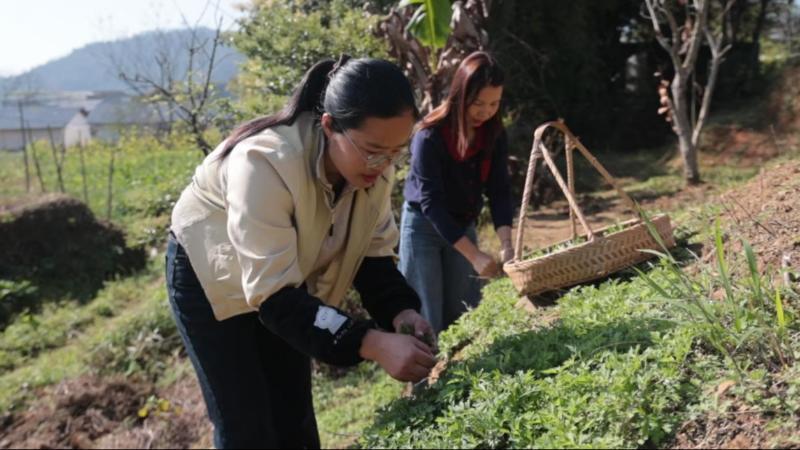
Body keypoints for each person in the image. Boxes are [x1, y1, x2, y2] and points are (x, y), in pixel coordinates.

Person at [166, 55, 437, 449]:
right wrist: (372, 342)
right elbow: (274, 296)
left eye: (396, 152)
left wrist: (401, 310)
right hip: (210, 278)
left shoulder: (374, 166)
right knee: (245, 424)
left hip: (281, 284)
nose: (384, 165)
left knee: (293, 415)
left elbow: (371, 255)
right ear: (330, 126)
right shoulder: (264, 163)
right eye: (374, 150)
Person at [399, 51, 513, 334]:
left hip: (462, 224)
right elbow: (432, 204)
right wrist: (474, 255)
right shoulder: (430, 136)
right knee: (425, 319)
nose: (486, 112)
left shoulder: (494, 134)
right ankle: (425, 379)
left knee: (464, 315)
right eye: (478, 103)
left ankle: (466, 376)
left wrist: (507, 245)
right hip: (423, 227)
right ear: (460, 95)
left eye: (494, 104)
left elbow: (499, 190)